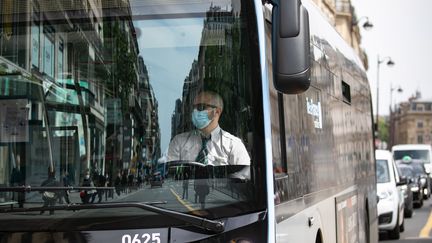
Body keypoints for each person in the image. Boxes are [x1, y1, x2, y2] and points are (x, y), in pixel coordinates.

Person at [166, 91, 251, 208]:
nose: (195, 111)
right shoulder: (178, 142)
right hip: (181, 212)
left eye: (201, 107)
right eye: (194, 107)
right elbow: (170, 175)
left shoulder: (234, 145)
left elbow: (244, 182)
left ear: (217, 112)